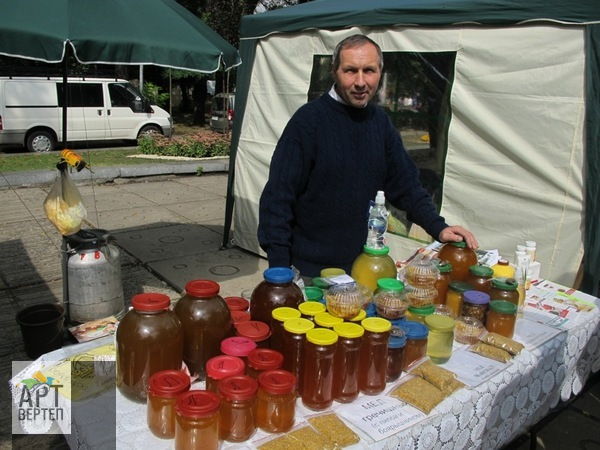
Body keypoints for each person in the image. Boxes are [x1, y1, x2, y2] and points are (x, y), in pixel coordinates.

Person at [258, 34, 478, 278]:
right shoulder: (308, 122)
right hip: (308, 273)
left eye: (369, 71)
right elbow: (278, 199)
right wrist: (279, 272)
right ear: (334, 72)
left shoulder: (379, 123)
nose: (361, 81)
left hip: (361, 269)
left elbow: (406, 186)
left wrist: (439, 227)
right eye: (350, 70)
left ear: (380, 73)